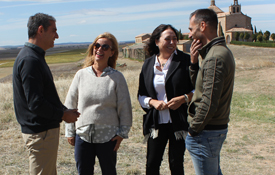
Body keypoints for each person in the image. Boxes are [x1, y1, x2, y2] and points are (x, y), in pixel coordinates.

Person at [13, 13, 80, 175]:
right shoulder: (30, 60)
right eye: (53, 31)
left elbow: (44, 96)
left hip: (41, 133)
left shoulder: (34, 56)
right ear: (41, 30)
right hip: (40, 133)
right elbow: (35, 103)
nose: (57, 36)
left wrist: (64, 110)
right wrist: (63, 115)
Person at [64, 32, 132, 175]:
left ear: (112, 52)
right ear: (93, 48)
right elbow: (70, 103)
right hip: (82, 135)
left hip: (108, 137)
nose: (100, 49)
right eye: (97, 45)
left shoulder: (117, 77)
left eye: (105, 47)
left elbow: (124, 107)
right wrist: (70, 132)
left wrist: (122, 133)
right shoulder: (81, 75)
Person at [138, 24, 194, 175]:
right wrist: (153, 102)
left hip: (178, 122)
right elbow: (141, 95)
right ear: (157, 41)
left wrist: (183, 99)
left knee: (176, 164)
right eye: (167, 39)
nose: (172, 42)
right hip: (156, 123)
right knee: (152, 164)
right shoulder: (148, 64)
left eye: (174, 39)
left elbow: (198, 90)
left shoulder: (185, 61)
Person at [186, 9, 235, 175]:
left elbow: (208, 101)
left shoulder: (215, 57)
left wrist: (193, 130)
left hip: (206, 132)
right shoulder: (216, 53)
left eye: (191, 29)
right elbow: (201, 88)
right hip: (210, 131)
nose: (190, 34)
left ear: (202, 25)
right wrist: (194, 63)